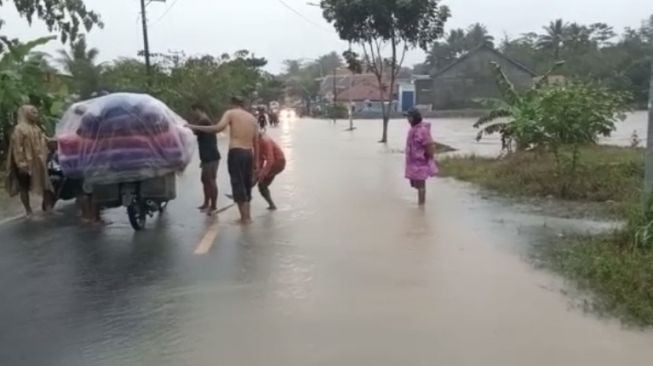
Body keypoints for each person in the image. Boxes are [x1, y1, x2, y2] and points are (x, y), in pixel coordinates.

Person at [188, 97, 258, 224]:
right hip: (249, 153)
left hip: (236, 152)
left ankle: (245, 219)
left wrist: (192, 126)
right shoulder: (252, 118)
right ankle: (247, 217)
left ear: (231, 104)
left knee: (238, 184)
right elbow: (256, 142)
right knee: (246, 186)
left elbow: (217, 128)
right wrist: (256, 162)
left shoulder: (230, 113)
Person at [4, 105, 55, 217]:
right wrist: (21, 164)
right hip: (26, 163)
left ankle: (48, 207)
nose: (36, 114)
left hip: (39, 162)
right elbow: (17, 148)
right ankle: (28, 210)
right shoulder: (19, 129)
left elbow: (44, 139)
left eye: (36, 112)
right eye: (33, 112)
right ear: (26, 114)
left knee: (45, 183)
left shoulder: (36, 128)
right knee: (24, 186)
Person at [190, 103, 221, 215]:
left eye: (194, 111)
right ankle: (206, 203)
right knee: (204, 180)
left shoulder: (204, 120)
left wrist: (187, 126)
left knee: (210, 181)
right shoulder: (203, 120)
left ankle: (213, 205)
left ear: (199, 109)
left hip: (211, 156)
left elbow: (193, 131)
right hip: (206, 157)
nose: (193, 114)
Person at [404, 108, 438, 206]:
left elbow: (429, 145)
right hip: (412, 161)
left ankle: (421, 206)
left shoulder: (423, 130)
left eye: (409, 117)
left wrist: (428, 157)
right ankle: (421, 203)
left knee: (421, 184)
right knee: (414, 184)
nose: (408, 119)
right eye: (407, 117)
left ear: (414, 118)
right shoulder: (412, 129)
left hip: (421, 161)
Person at [256, 132, 286, 210]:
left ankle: (244, 194)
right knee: (261, 184)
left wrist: (262, 173)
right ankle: (272, 206)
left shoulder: (266, 140)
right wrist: (258, 169)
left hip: (279, 162)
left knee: (260, 181)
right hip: (274, 163)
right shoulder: (257, 142)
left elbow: (270, 160)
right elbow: (260, 159)